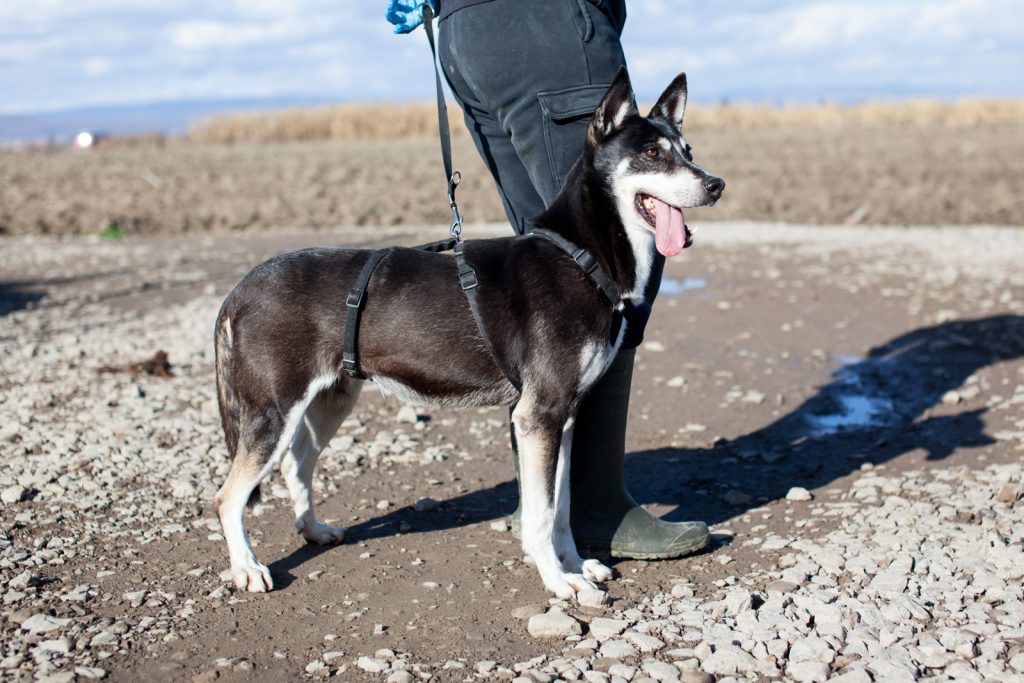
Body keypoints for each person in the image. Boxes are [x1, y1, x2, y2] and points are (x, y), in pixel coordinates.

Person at [387, 0, 708, 559]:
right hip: (550, 25)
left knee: (546, 261)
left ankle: (538, 505)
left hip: (465, 34)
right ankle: (596, 509)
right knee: (608, 267)